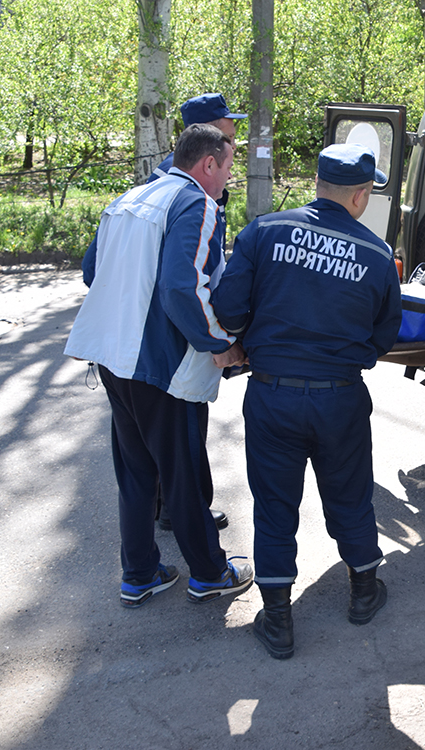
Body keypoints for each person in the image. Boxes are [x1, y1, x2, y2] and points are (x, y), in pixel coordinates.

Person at [211, 143, 402, 659]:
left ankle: (278, 621)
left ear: (317, 184)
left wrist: (254, 338)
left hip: (272, 395)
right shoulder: (378, 254)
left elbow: (229, 308)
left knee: (275, 504)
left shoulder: (263, 231)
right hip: (340, 397)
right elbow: (385, 336)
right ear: (361, 196)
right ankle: (364, 591)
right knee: (351, 494)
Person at [65, 124, 253, 609]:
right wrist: (219, 344)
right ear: (207, 164)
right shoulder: (197, 205)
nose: (228, 178)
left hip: (114, 357)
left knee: (136, 472)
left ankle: (140, 573)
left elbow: (92, 271)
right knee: (181, 472)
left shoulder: (129, 199)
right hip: (163, 366)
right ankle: (210, 573)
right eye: (228, 167)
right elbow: (180, 287)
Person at [149, 93, 247, 532]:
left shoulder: (166, 181)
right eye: (228, 130)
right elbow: (180, 282)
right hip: (177, 330)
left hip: (160, 328)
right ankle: (187, 517)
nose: (234, 141)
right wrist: (215, 341)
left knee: (155, 432)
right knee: (184, 423)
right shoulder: (187, 191)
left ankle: (164, 506)